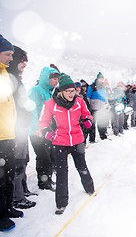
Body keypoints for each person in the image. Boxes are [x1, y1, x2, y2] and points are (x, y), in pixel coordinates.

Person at [39, 75, 95, 215]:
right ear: (61, 91)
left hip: (77, 139)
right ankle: (61, 203)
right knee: (62, 172)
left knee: (82, 166)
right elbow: (43, 121)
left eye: (73, 91)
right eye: (68, 91)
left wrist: (88, 120)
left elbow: (87, 114)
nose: (72, 94)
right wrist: (45, 131)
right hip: (60, 141)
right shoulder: (50, 104)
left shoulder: (79, 102)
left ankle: (90, 189)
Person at [7, 45, 37, 209]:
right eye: (22, 61)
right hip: (15, 129)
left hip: (22, 127)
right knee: (17, 163)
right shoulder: (9, 80)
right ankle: (16, 196)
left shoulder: (17, 80)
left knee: (24, 160)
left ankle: (23, 189)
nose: (24, 65)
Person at [0, 34, 24, 232]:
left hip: (8, 134)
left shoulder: (5, 75)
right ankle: (0, 216)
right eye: (8, 54)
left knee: (7, 175)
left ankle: (7, 208)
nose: (10, 58)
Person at [28, 65, 60, 191]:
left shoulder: (49, 92)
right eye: (53, 79)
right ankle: (43, 183)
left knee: (50, 155)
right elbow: (32, 111)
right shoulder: (36, 91)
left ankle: (48, 178)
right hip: (37, 132)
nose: (56, 81)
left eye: (57, 79)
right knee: (43, 157)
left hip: (47, 130)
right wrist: (36, 129)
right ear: (46, 78)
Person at [87, 72, 108, 141]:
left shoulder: (103, 87)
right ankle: (92, 138)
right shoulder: (92, 86)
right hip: (93, 108)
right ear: (97, 79)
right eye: (100, 79)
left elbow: (105, 97)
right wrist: (89, 107)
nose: (101, 80)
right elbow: (88, 97)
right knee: (93, 124)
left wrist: (106, 104)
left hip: (101, 108)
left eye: (102, 79)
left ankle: (102, 135)